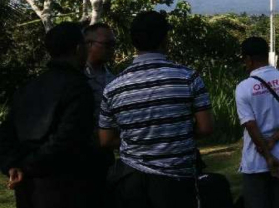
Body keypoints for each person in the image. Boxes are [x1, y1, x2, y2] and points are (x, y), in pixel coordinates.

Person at [98, 11, 214, 208]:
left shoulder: (113, 87)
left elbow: (106, 140)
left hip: (131, 181)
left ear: (134, 42)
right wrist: (175, 135)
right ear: (165, 39)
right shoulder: (188, 78)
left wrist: (139, 142)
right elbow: (206, 128)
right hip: (177, 180)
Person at [0, 22, 99, 208]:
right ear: (79, 49)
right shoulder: (77, 87)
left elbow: (6, 133)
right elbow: (68, 138)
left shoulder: (28, 87)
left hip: (28, 189)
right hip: (64, 187)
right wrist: (28, 165)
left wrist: (13, 165)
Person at [235, 37, 279, 208]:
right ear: (267, 55)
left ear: (248, 59)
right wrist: (275, 139)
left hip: (256, 158)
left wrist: (267, 155)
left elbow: (250, 124)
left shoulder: (244, 87)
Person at [84, 23, 116, 122]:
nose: (112, 49)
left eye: (113, 44)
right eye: (107, 44)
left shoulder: (112, 78)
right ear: (89, 44)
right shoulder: (77, 76)